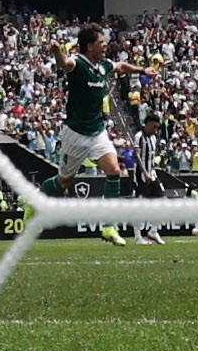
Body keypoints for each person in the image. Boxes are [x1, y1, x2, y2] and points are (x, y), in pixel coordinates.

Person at [51, 23, 154, 242]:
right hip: (76, 132)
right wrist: (57, 51)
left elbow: (121, 67)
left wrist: (142, 70)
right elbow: (64, 63)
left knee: (114, 171)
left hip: (97, 131)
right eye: (100, 41)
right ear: (89, 46)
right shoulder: (78, 63)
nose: (105, 44)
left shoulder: (104, 65)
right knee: (64, 182)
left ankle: (108, 226)